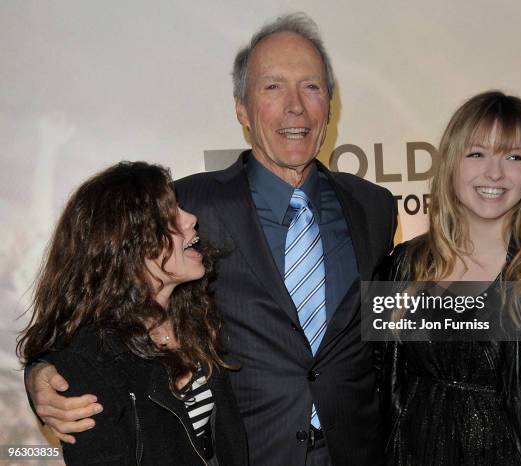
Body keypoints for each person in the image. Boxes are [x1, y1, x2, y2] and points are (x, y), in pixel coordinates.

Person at [25, 13, 397, 466]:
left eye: (312, 86)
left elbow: (388, 325)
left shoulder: (374, 207)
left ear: (331, 104)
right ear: (241, 109)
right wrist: (42, 374)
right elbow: (98, 301)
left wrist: (501, 311)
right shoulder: (190, 206)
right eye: (273, 87)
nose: (295, 106)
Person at [381, 91, 521, 465]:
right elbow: (383, 388)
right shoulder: (404, 265)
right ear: (451, 164)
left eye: (513, 157)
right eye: (476, 154)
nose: (495, 173)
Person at [18, 162, 248, 465]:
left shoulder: (196, 316)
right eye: (169, 217)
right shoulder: (87, 360)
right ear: (128, 245)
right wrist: (39, 372)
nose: (191, 218)